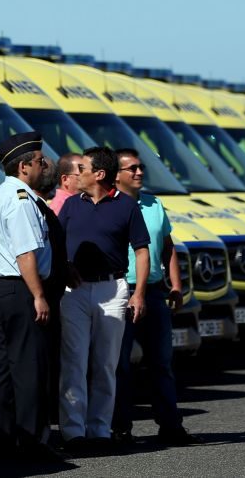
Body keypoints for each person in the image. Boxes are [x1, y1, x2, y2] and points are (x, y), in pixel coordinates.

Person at [57, 147, 151, 451]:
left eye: (82, 168)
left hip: (113, 291)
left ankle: (99, 431)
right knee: (73, 363)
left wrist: (139, 293)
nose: (77, 173)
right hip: (75, 291)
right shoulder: (71, 205)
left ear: (99, 174)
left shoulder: (127, 207)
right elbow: (54, 245)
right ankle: (73, 433)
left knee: (105, 364)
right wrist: (64, 268)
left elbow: (142, 250)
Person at [0, 132, 59, 461]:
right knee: (29, 368)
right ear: (24, 167)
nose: (45, 164)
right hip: (21, 287)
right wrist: (38, 295)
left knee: (3, 368)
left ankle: (2, 438)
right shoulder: (21, 200)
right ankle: (33, 443)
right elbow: (25, 253)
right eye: (40, 161)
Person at [111, 148, 201, 446]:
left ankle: (170, 425)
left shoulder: (154, 204)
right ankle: (121, 428)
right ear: (116, 175)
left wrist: (176, 285)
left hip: (153, 291)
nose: (139, 173)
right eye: (131, 168)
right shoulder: (111, 206)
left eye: (141, 168)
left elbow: (167, 246)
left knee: (161, 362)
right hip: (122, 291)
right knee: (120, 364)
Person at [31, 158, 69, 426]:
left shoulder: (42, 208)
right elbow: (26, 255)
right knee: (37, 366)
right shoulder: (28, 206)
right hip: (37, 295)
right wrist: (39, 295)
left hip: (51, 293)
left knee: (48, 363)